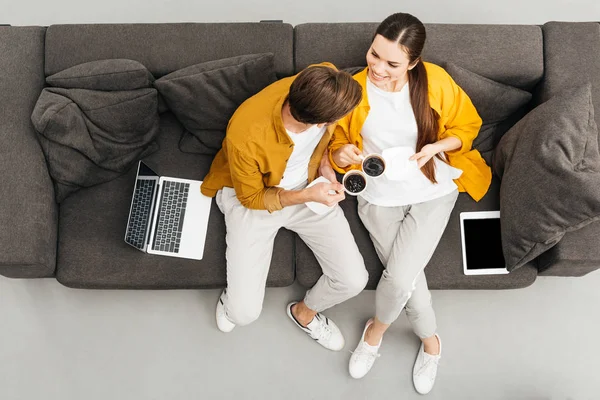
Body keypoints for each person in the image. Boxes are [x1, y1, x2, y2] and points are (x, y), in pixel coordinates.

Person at [329, 13, 491, 394]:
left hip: (431, 189)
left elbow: (467, 128)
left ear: (413, 62)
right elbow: (333, 146)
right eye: (374, 55)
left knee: (400, 277)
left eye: (392, 63)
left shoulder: (434, 81)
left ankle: (377, 332)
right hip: (378, 194)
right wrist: (342, 154)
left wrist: (435, 146)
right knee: (406, 280)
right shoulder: (353, 89)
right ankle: (431, 342)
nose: (378, 68)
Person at [201, 63, 368, 351]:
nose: (346, 119)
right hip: (254, 198)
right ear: (318, 121)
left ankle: (305, 313)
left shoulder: (324, 75)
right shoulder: (247, 135)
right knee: (242, 314)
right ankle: (231, 301)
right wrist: (308, 196)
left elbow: (323, 140)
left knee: (354, 280)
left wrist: (328, 165)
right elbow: (252, 199)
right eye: (339, 118)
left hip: (309, 183)